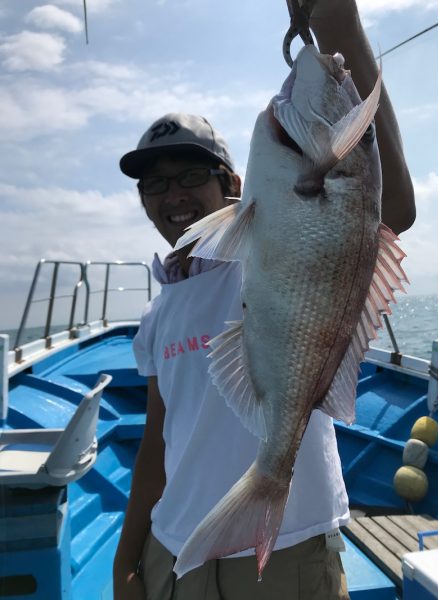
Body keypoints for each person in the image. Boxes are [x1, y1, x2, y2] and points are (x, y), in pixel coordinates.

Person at [113, 1, 415, 598]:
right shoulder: (157, 312)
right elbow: (157, 442)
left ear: (234, 185)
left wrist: (338, 26)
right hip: (172, 554)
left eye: (190, 176)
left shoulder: (254, 250)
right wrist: (129, 558)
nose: (172, 194)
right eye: (155, 183)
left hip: (287, 554)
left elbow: (392, 210)